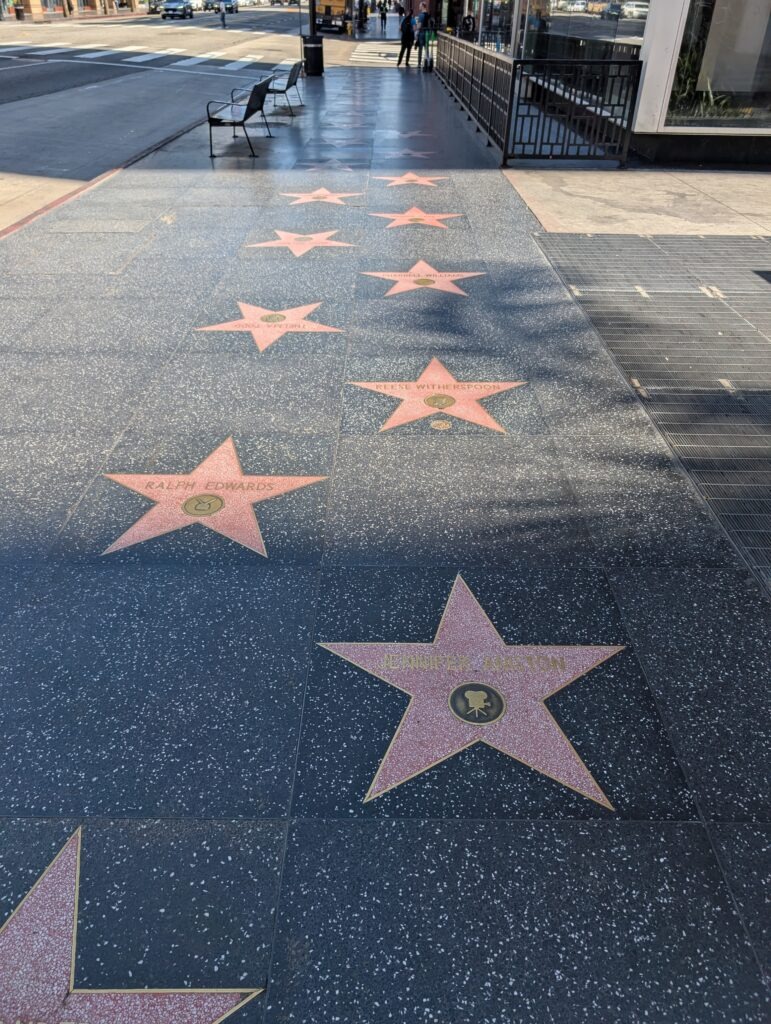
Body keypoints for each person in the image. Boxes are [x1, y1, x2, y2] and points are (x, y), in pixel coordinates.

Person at [415, 1, 430, 69]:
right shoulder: (428, 15)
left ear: (423, 6)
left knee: (420, 49)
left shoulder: (421, 15)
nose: (419, 7)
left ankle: (419, 63)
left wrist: (416, 31)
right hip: (427, 33)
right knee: (426, 48)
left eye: (420, 6)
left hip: (421, 33)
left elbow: (419, 26)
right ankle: (428, 62)